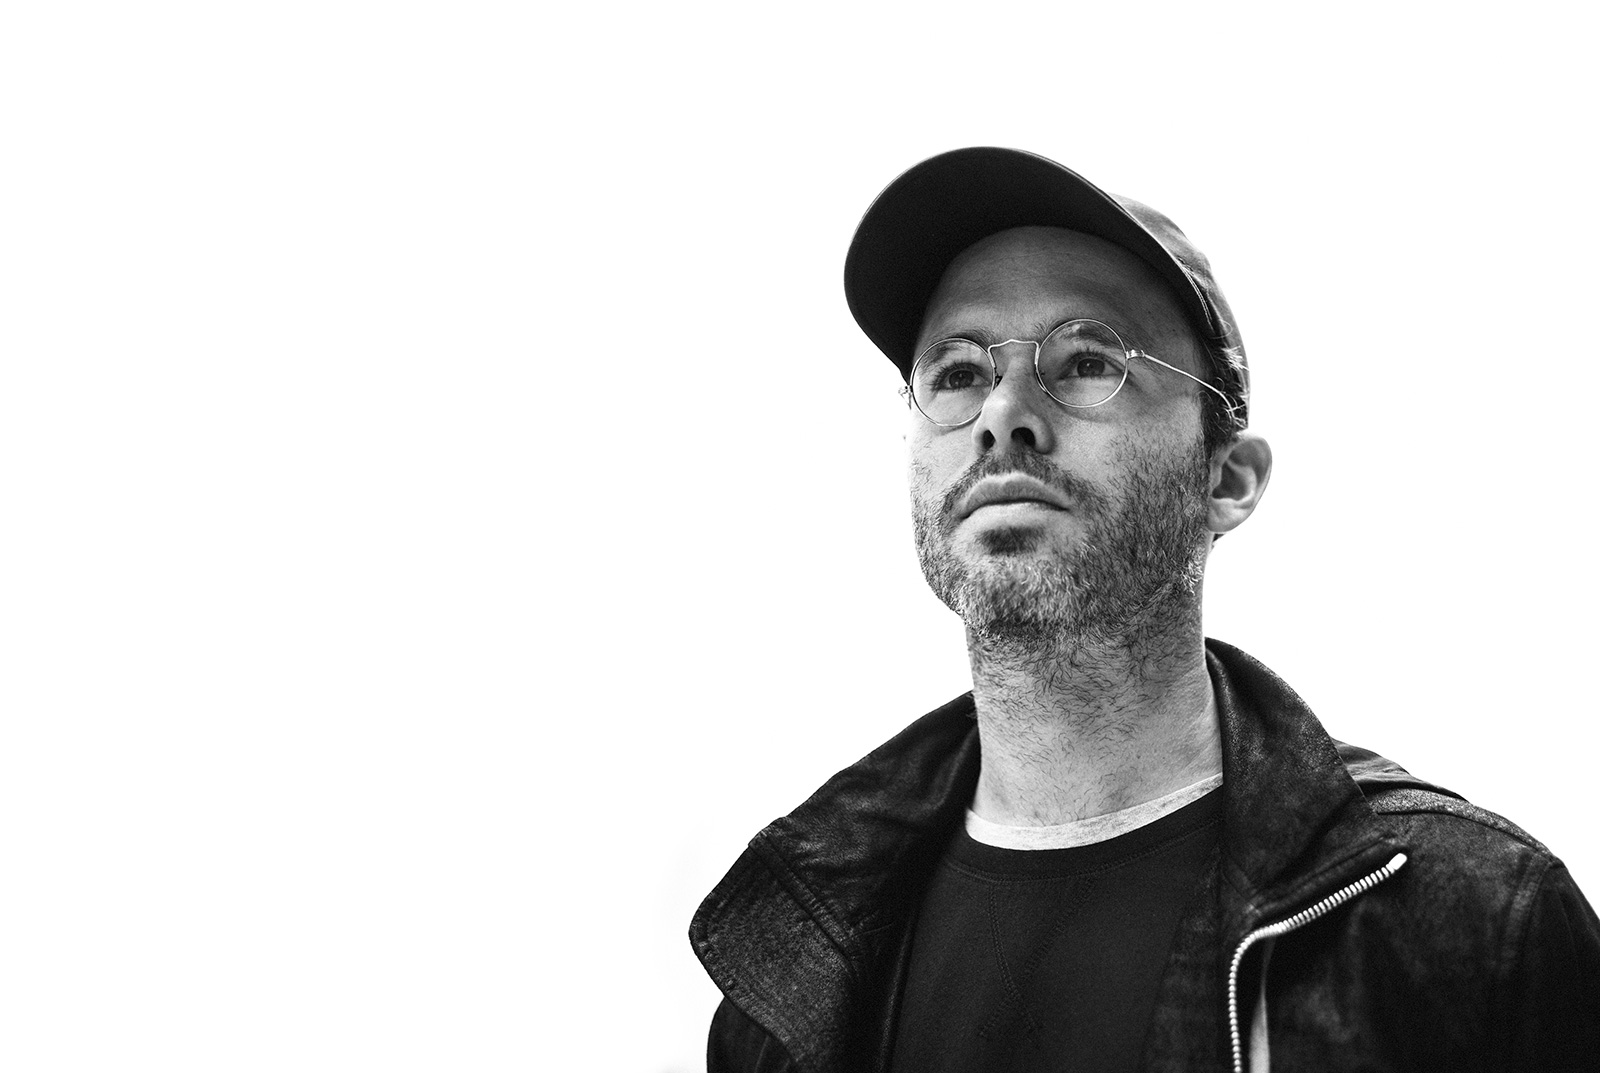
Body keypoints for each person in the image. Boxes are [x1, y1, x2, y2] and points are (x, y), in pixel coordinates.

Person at [688, 148, 1600, 1072]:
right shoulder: (792, 970)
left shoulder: (1475, 931)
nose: (1003, 412)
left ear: (1226, 479)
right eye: (957, 373)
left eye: (1087, 360)